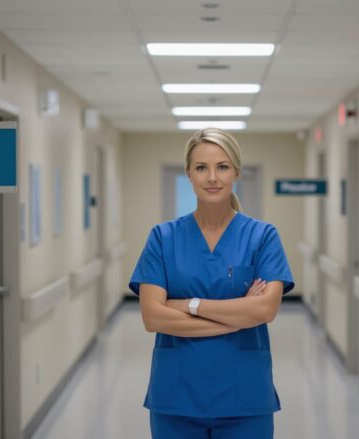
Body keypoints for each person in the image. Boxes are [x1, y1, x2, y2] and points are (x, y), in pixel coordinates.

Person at [129, 127, 295, 439]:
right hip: (176, 396)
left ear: (237, 173)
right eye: (201, 168)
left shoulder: (263, 236)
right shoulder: (163, 238)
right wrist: (237, 318)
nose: (212, 178)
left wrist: (189, 305)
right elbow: (153, 317)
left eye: (222, 167)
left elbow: (265, 310)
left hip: (244, 395)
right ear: (188, 174)